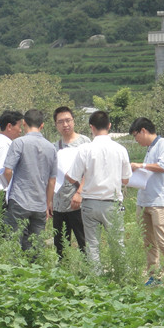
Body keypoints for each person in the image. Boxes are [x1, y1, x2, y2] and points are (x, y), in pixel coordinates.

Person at [65, 110, 132, 271]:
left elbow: (72, 176)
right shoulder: (120, 149)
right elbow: (126, 179)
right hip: (112, 202)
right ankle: (122, 274)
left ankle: (96, 278)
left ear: (91, 127)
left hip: (90, 203)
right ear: (109, 125)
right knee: (117, 242)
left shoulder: (85, 149)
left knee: (92, 244)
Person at [128, 117, 164, 286]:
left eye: (136, 135)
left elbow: (163, 166)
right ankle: (154, 275)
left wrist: (140, 166)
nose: (136, 140)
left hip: (159, 201)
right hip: (144, 200)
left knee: (163, 239)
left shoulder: (163, 144)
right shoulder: (150, 148)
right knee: (148, 241)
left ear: (143, 131)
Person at [1, 109, 57, 252]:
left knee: (13, 243)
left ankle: (13, 273)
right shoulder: (51, 148)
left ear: (24, 123)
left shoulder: (19, 143)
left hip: (19, 200)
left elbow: (8, 170)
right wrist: (48, 203)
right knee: (35, 247)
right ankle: (34, 272)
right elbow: (52, 180)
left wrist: (12, 186)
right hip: (39, 204)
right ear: (42, 125)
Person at [52, 106, 90, 258]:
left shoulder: (85, 143)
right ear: (56, 125)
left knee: (83, 241)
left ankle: (88, 274)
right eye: (61, 122)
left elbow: (90, 171)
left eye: (68, 120)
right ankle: (62, 274)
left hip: (78, 201)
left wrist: (80, 192)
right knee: (60, 243)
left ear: (74, 121)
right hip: (58, 203)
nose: (65, 125)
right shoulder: (55, 147)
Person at [0, 110, 23, 207]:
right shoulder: (2, 145)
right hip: (3, 194)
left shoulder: (2, 143)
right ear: (9, 127)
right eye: (19, 126)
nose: (20, 130)